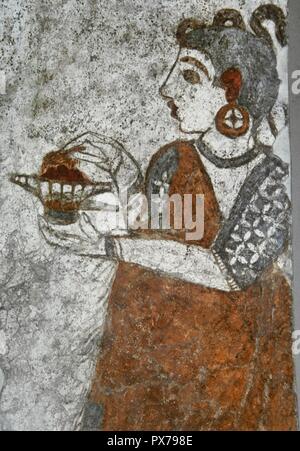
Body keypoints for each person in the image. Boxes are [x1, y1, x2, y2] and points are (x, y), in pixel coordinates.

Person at [39, 6, 297, 431]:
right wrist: (79, 198)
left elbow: (227, 269)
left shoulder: (274, 182)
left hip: (237, 367)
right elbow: (154, 238)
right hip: (161, 360)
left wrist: (109, 243)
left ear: (233, 91)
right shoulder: (172, 161)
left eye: (190, 77)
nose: (166, 89)